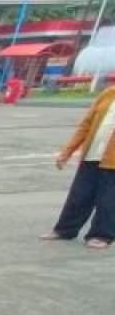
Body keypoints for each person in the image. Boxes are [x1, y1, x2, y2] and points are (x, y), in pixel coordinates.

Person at [40, 86, 115, 249]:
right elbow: (85, 125)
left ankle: (101, 235)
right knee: (79, 195)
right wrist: (66, 152)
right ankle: (65, 230)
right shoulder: (107, 93)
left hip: (113, 162)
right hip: (92, 155)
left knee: (108, 200)